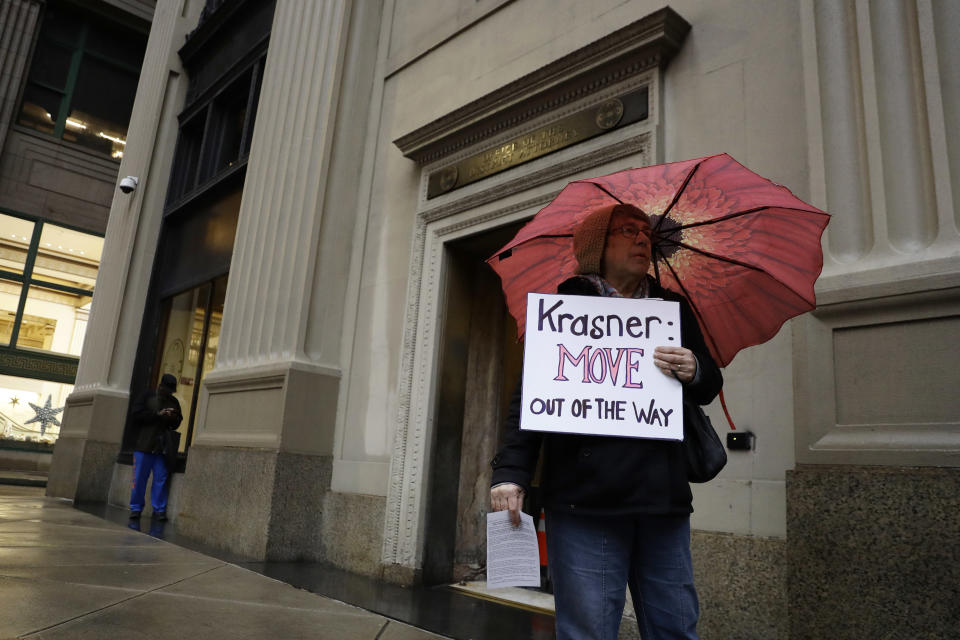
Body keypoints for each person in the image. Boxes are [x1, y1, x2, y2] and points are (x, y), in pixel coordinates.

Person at [490, 203, 723, 640]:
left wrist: (695, 368)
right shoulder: (562, 310)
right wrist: (510, 474)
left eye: (646, 233)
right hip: (584, 503)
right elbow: (530, 401)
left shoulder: (671, 308)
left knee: (675, 628)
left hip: (662, 502)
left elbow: (708, 384)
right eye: (628, 231)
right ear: (597, 247)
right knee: (588, 632)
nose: (642, 239)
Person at [129, 373, 182, 521]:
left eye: (171, 391)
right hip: (144, 444)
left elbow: (178, 422)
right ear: (160, 386)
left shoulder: (173, 402)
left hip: (162, 447)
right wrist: (157, 414)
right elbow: (137, 415)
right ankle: (136, 508)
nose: (169, 393)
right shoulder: (147, 396)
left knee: (161, 479)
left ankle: (159, 510)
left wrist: (173, 417)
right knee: (139, 479)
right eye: (167, 390)